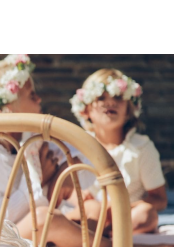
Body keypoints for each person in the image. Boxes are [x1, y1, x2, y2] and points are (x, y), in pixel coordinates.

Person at [0, 55, 174, 247]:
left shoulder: (29, 137)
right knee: (47, 218)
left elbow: (87, 163)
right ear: (7, 108)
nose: (40, 98)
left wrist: (65, 169)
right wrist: (45, 181)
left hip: (16, 232)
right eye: (32, 95)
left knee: (82, 211)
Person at [69, 68, 167, 235]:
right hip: (90, 214)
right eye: (101, 98)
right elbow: (64, 189)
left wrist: (119, 207)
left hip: (125, 216)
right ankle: (92, 240)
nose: (110, 102)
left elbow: (159, 199)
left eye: (118, 97)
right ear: (86, 110)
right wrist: (77, 195)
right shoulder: (78, 145)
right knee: (77, 214)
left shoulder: (141, 147)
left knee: (147, 214)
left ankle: (110, 238)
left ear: (130, 110)